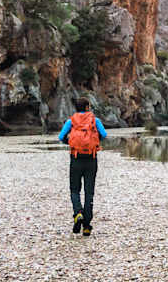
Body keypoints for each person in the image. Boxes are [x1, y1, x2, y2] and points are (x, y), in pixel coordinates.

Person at [58, 97, 107, 236]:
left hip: (76, 158)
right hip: (91, 159)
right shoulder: (95, 121)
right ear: (87, 107)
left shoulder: (71, 121)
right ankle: (86, 226)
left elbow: (61, 137)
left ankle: (78, 213)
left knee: (75, 189)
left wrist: (70, 142)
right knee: (89, 192)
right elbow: (104, 134)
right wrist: (95, 141)